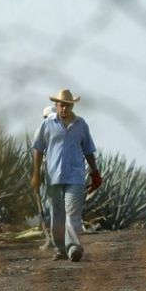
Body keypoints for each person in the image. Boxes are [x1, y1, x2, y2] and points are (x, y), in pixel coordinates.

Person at [31, 89, 103, 262]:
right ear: (56, 106)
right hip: (53, 176)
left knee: (72, 211)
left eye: (67, 105)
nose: (64, 108)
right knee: (57, 214)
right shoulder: (47, 125)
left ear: (72, 106)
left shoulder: (80, 125)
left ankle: (73, 247)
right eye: (61, 105)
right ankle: (60, 248)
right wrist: (36, 173)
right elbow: (38, 148)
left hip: (75, 176)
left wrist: (95, 172)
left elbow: (88, 150)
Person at [36, 105, 56, 250]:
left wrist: (36, 173)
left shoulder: (42, 129)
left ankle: (52, 239)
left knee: (48, 204)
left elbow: (37, 152)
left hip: (49, 171)